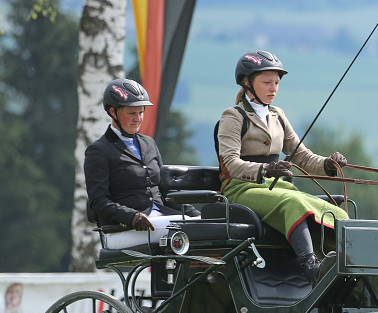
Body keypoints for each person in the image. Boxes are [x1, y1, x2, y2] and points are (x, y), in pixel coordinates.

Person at [217, 50, 349, 285]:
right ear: (247, 83)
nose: (273, 88)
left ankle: (347, 265)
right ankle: (312, 269)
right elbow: (230, 163)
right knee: (294, 204)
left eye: (276, 83)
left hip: (276, 187)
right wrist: (264, 170)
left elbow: (302, 157)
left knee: (337, 213)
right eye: (267, 82)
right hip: (241, 188)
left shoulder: (278, 115)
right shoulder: (233, 116)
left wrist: (328, 164)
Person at [85, 78, 199, 249]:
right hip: (122, 230)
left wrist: (195, 214)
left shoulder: (148, 143)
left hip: (161, 219)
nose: (138, 119)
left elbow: (164, 190)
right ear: (113, 112)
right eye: (131, 113)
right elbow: (99, 201)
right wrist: (132, 217)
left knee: (206, 226)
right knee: (184, 228)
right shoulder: (99, 150)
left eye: (141, 112)